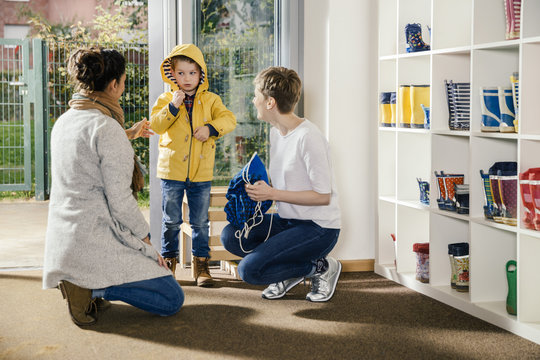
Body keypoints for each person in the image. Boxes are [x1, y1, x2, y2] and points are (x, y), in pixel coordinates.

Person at [43, 47, 184, 327]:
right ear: (113, 85)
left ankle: (84, 281)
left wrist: (126, 134)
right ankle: (89, 287)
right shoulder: (106, 128)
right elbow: (120, 201)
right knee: (171, 299)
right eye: (122, 81)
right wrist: (147, 242)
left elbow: (88, 159)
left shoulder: (65, 121)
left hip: (66, 239)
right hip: (96, 236)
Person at [221, 66, 342, 302]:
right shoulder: (276, 134)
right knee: (230, 236)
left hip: (318, 228)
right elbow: (287, 179)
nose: (253, 100)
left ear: (270, 103)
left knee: (249, 270)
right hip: (289, 221)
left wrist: (272, 193)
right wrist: (255, 187)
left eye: (256, 95)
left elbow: (322, 196)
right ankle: (287, 267)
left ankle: (320, 267)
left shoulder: (309, 137)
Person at [150, 44, 236, 287]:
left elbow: (229, 119)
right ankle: (169, 266)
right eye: (181, 73)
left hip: (201, 172)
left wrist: (210, 129)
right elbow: (156, 126)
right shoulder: (166, 99)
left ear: (201, 75)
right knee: (171, 221)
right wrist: (172, 107)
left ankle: (201, 265)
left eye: (192, 73)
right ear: (172, 75)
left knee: (200, 222)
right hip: (172, 172)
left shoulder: (211, 100)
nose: (187, 79)